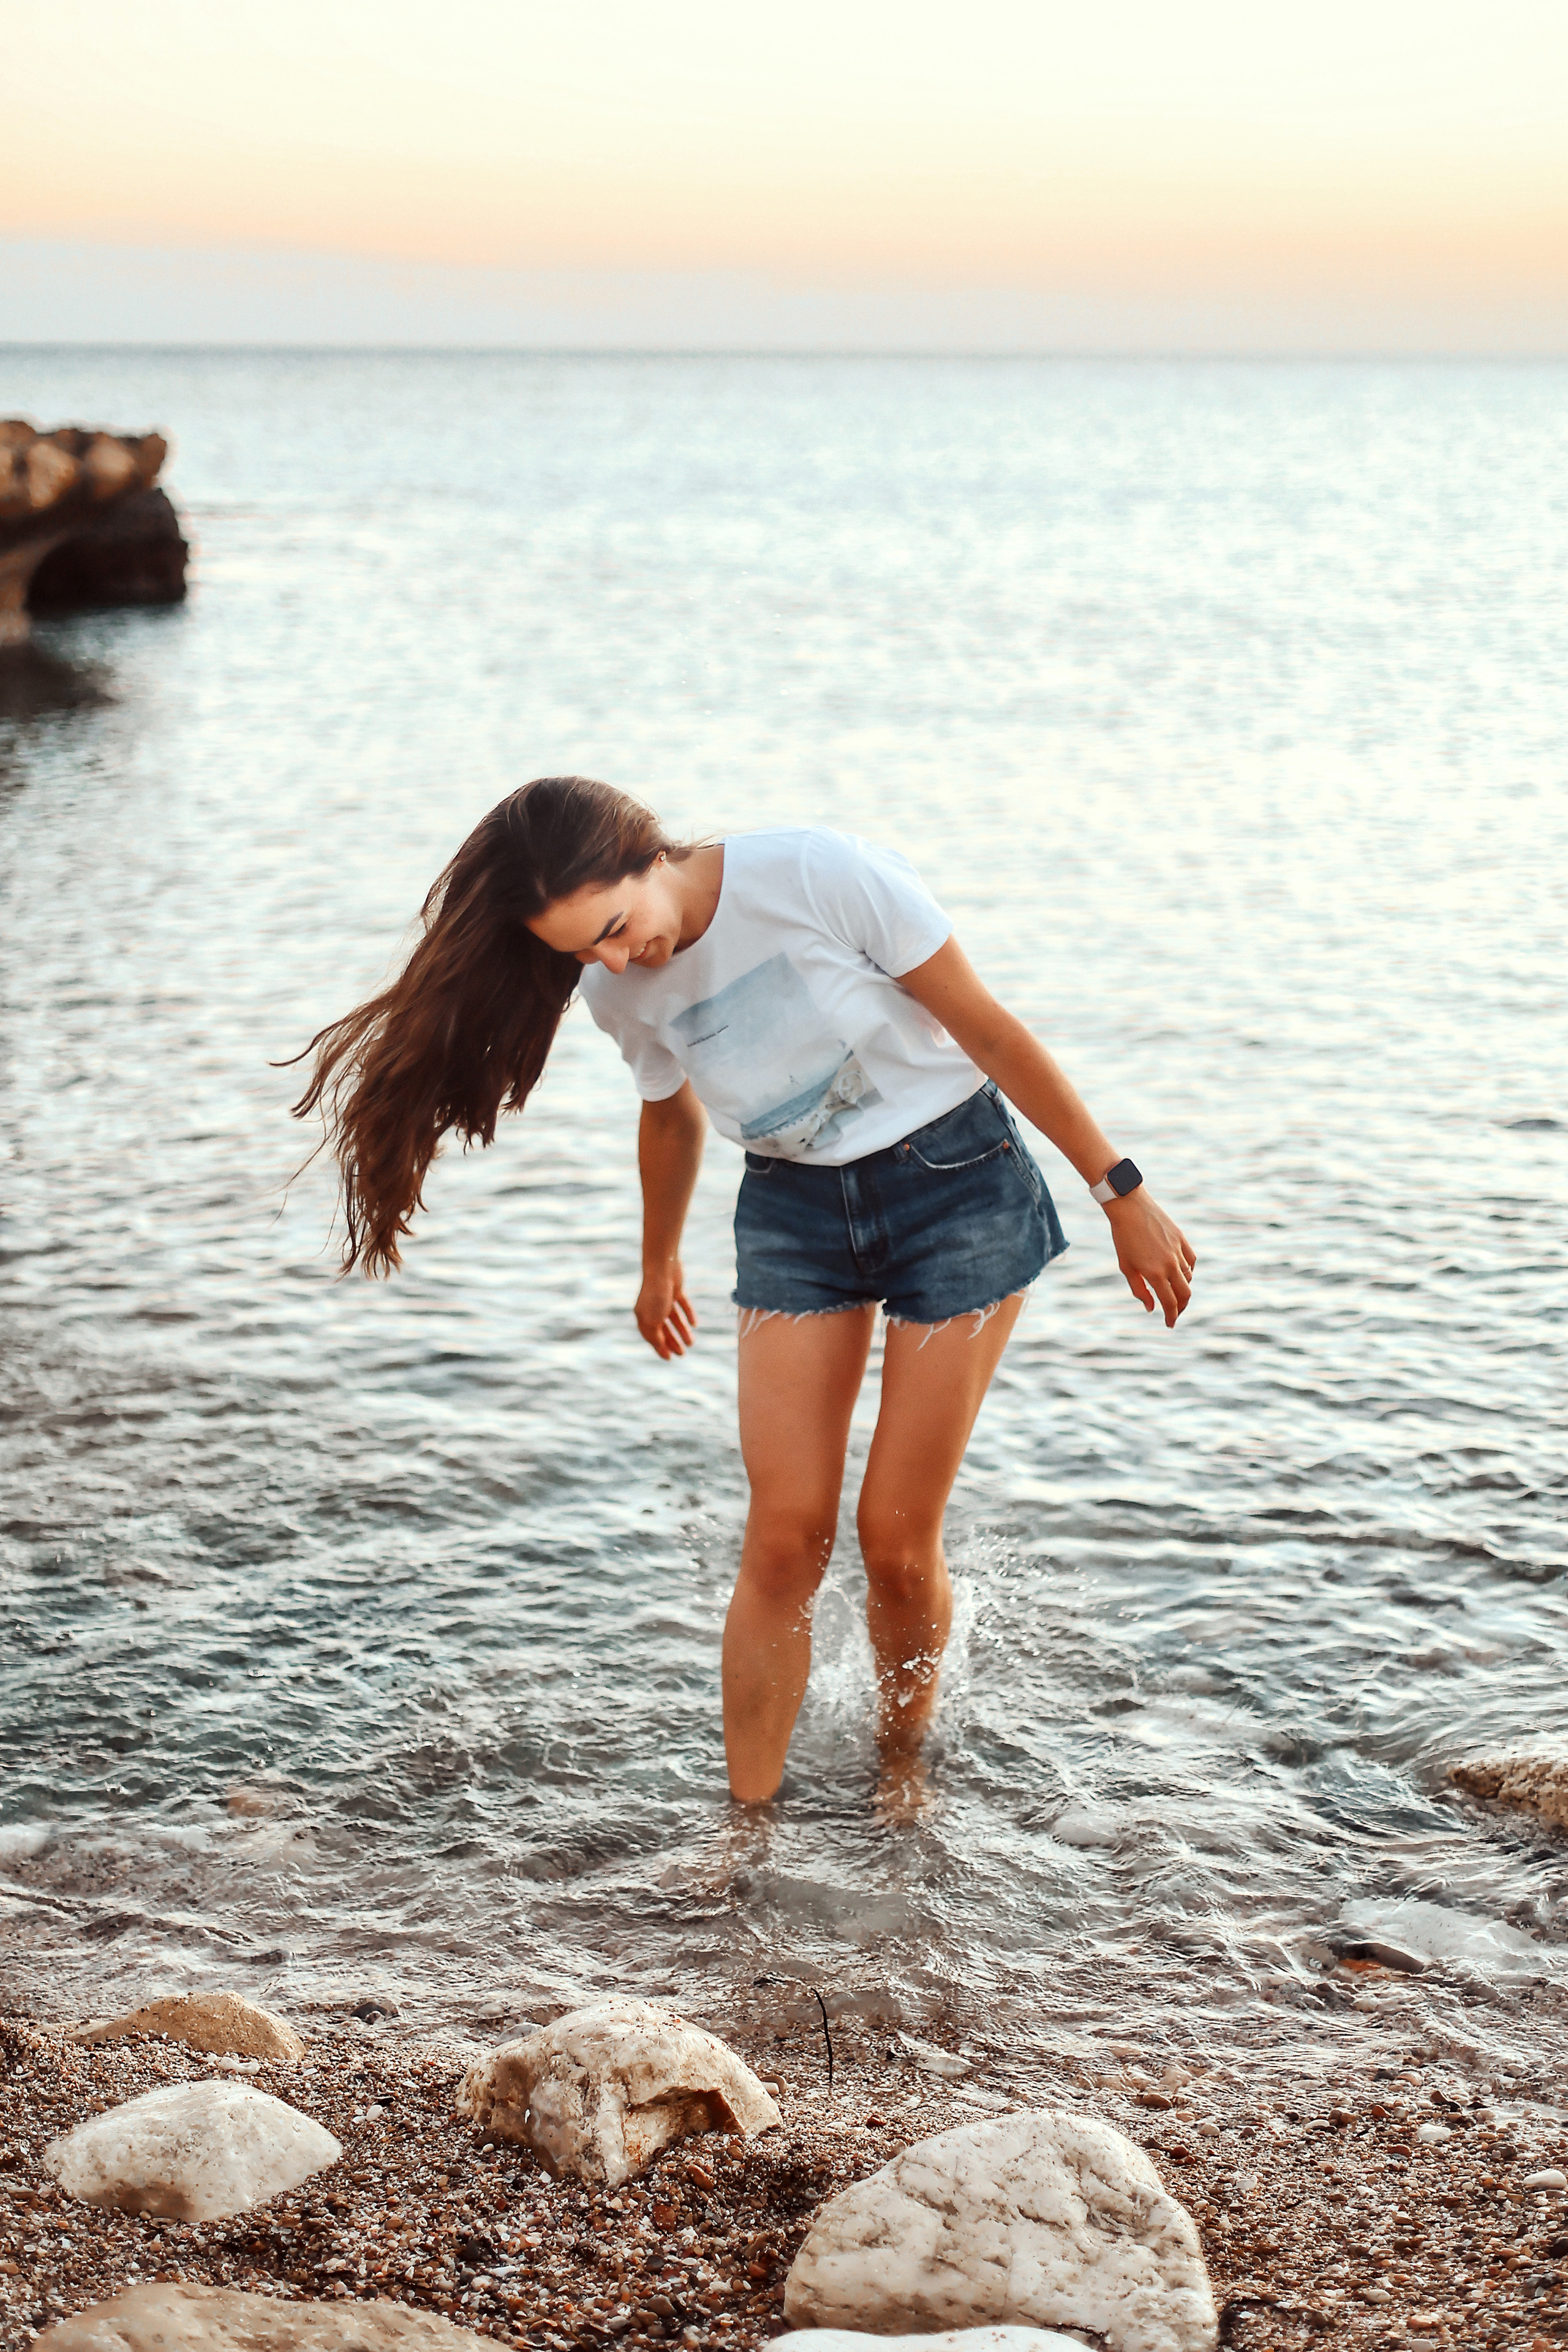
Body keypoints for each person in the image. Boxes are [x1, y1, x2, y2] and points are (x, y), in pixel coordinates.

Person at [292, 775, 1194, 1807]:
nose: (615, 962)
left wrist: (1120, 1191)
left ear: (650, 855)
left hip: (960, 1189)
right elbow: (668, 1116)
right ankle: (745, 1829)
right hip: (792, 1214)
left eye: (618, 929)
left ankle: (902, 1773)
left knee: (895, 1538)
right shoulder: (617, 992)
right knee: (783, 1535)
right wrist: (657, 1261)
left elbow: (989, 1031)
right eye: (583, 953)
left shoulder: (817, 874)